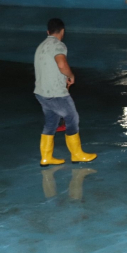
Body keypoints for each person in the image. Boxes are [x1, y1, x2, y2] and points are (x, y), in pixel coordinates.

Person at [34, 18, 97, 166]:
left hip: (41, 93)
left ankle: (46, 157)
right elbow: (61, 64)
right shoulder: (58, 45)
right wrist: (70, 75)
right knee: (72, 118)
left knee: (51, 122)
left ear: (47, 32)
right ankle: (77, 154)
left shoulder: (41, 46)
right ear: (62, 31)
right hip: (55, 93)